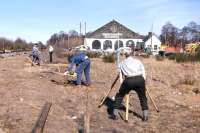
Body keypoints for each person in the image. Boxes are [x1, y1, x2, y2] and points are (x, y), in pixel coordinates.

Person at [109, 53, 149, 121]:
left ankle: (114, 114)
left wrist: (122, 86)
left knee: (120, 96)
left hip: (128, 80)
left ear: (125, 56)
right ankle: (145, 115)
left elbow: (120, 75)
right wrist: (143, 81)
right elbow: (143, 72)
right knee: (142, 97)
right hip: (140, 79)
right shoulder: (138, 61)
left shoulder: (122, 63)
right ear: (132, 56)